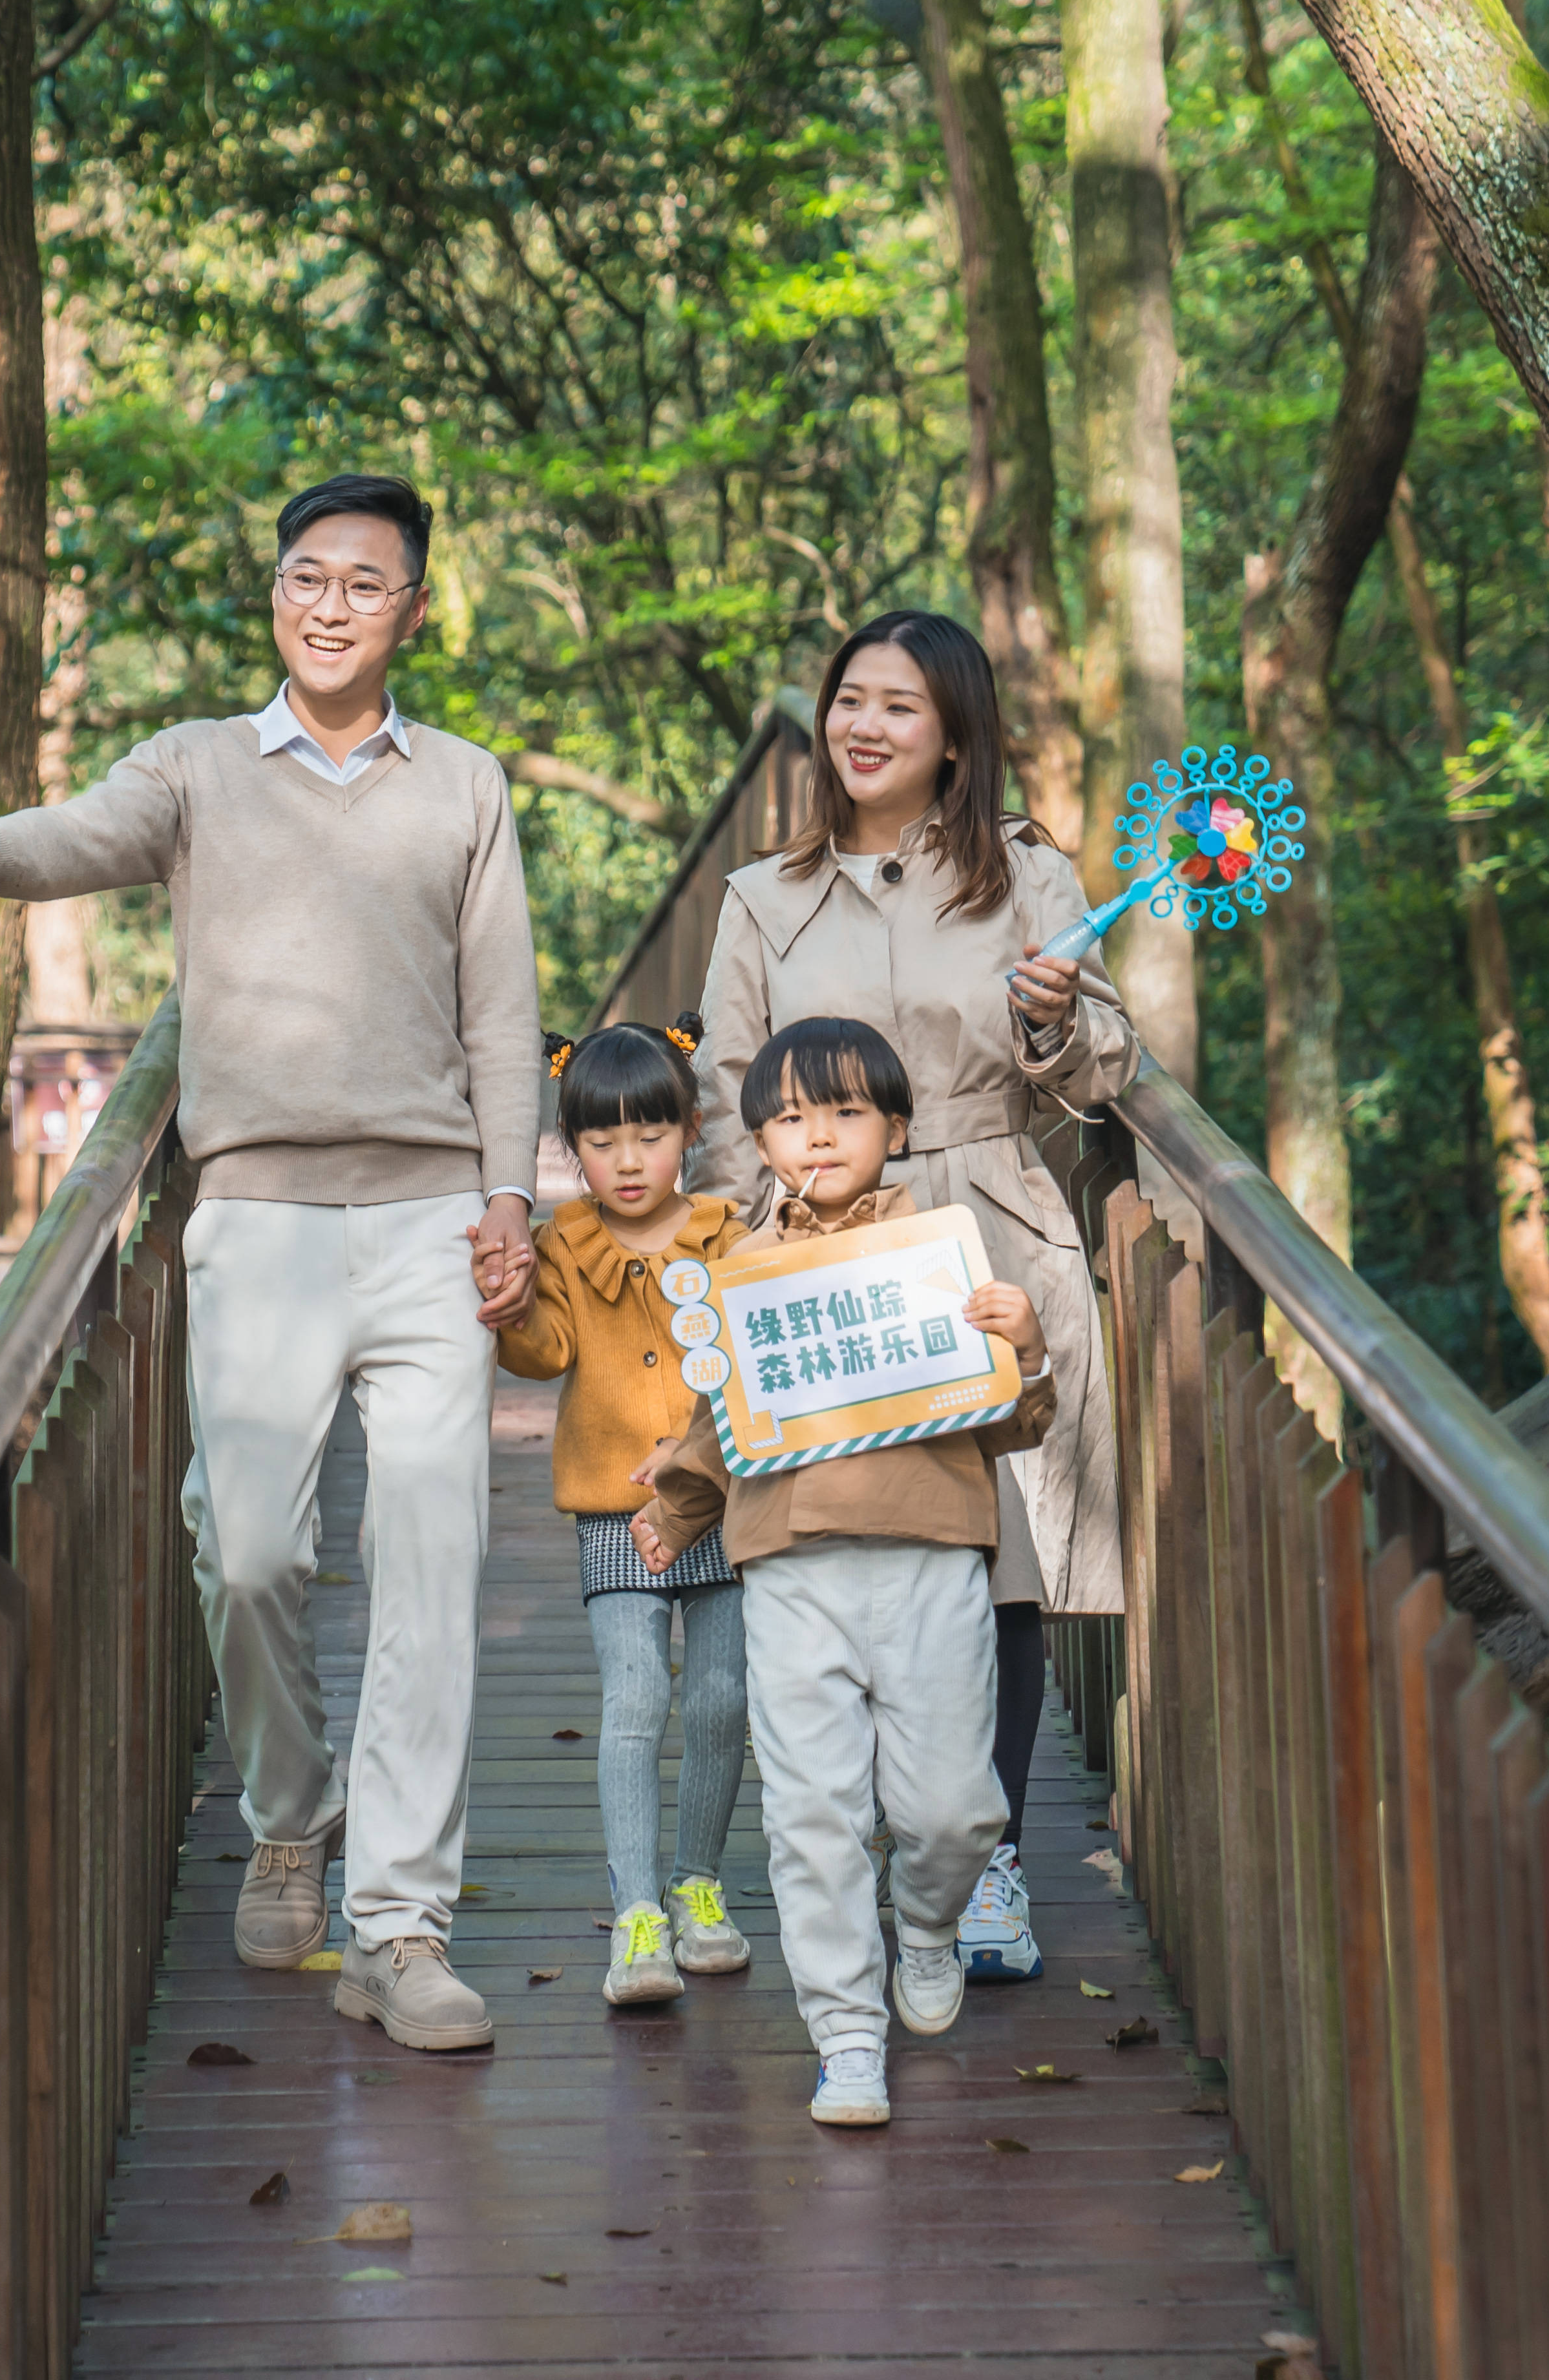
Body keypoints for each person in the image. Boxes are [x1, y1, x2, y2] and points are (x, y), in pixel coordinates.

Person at [0, 472, 541, 2055]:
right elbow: (80, 834)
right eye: (304, 576)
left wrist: (512, 1198)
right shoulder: (197, 768)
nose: (328, 604)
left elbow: (503, 1012)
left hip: (433, 1215)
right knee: (247, 1549)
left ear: (414, 612)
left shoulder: (464, 784)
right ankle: (293, 1814)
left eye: (363, 583)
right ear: (277, 598)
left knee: (435, 1558)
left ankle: (402, 1921)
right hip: (253, 1213)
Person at [692, 612, 1139, 1985]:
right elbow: (723, 1084)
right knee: (841, 1527)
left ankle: (982, 1856)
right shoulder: (767, 893)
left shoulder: (1028, 873)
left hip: (982, 1223)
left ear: (954, 731)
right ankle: (852, 1846)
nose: (863, 724)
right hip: (816, 1239)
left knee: (990, 1543)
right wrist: (759, 1240)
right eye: (847, 700)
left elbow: (1108, 1066)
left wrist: (1057, 1014)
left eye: (899, 704)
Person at [631, 1017, 1055, 2127]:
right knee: (813, 1812)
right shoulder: (746, 1272)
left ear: (898, 1128)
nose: (815, 1137)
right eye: (787, 1117)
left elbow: (1011, 1419)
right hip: (790, 1569)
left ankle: (922, 1921)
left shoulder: (945, 1256)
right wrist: (676, 1505)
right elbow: (723, 1418)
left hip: (933, 1557)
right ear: (759, 1141)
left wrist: (1028, 1343)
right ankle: (847, 2035)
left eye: (846, 1111)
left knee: (958, 1809)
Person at [494, 1018, 751, 2006]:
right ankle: (637, 1909)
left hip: (722, 1498)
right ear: (573, 1151)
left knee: (722, 1696)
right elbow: (547, 1352)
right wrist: (514, 1308)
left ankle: (699, 1885)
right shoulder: (565, 1241)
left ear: (689, 1129)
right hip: (612, 1507)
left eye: (650, 1136)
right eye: (600, 1143)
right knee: (638, 1694)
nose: (628, 1160)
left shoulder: (726, 1235)